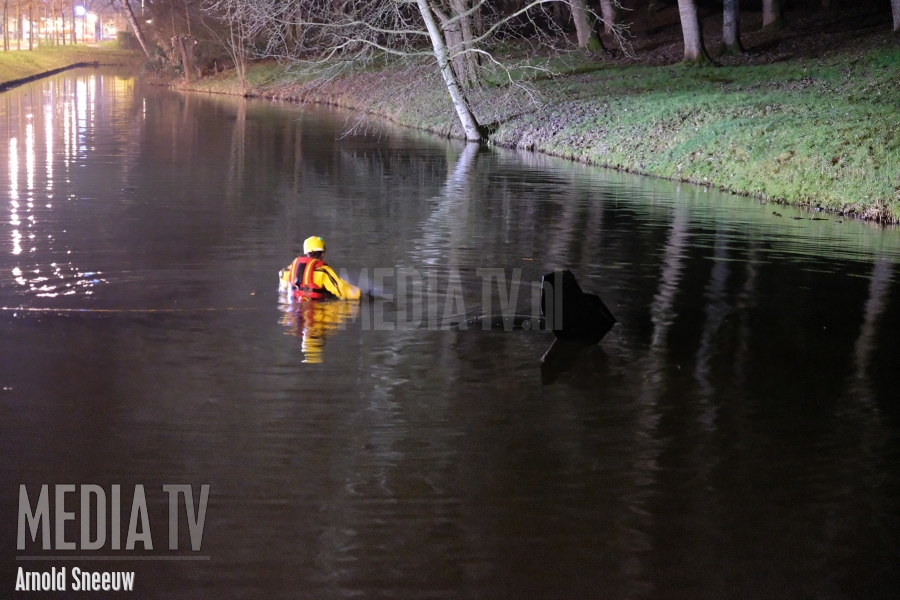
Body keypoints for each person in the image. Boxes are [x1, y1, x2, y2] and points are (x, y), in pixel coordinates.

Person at [278, 236, 361, 301]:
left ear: (307, 253)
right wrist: (361, 294)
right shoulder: (323, 271)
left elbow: (283, 287)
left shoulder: (289, 270)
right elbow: (342, 290)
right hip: (314, 309)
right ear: (322, 254)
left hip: (294, 311)